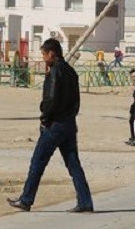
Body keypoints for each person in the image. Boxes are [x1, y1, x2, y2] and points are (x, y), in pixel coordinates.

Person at [8, 38, 94, 213]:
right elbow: (76, 101)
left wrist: (45, 118)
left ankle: (26, 199)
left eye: (44, 54)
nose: (43, 58)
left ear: (51, 54)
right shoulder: (71, 71)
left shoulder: (55, 72)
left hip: (55, 125)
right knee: (73, 164)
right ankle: (85, 202)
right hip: (69, 124)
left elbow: (51, 99)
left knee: (38, 162)